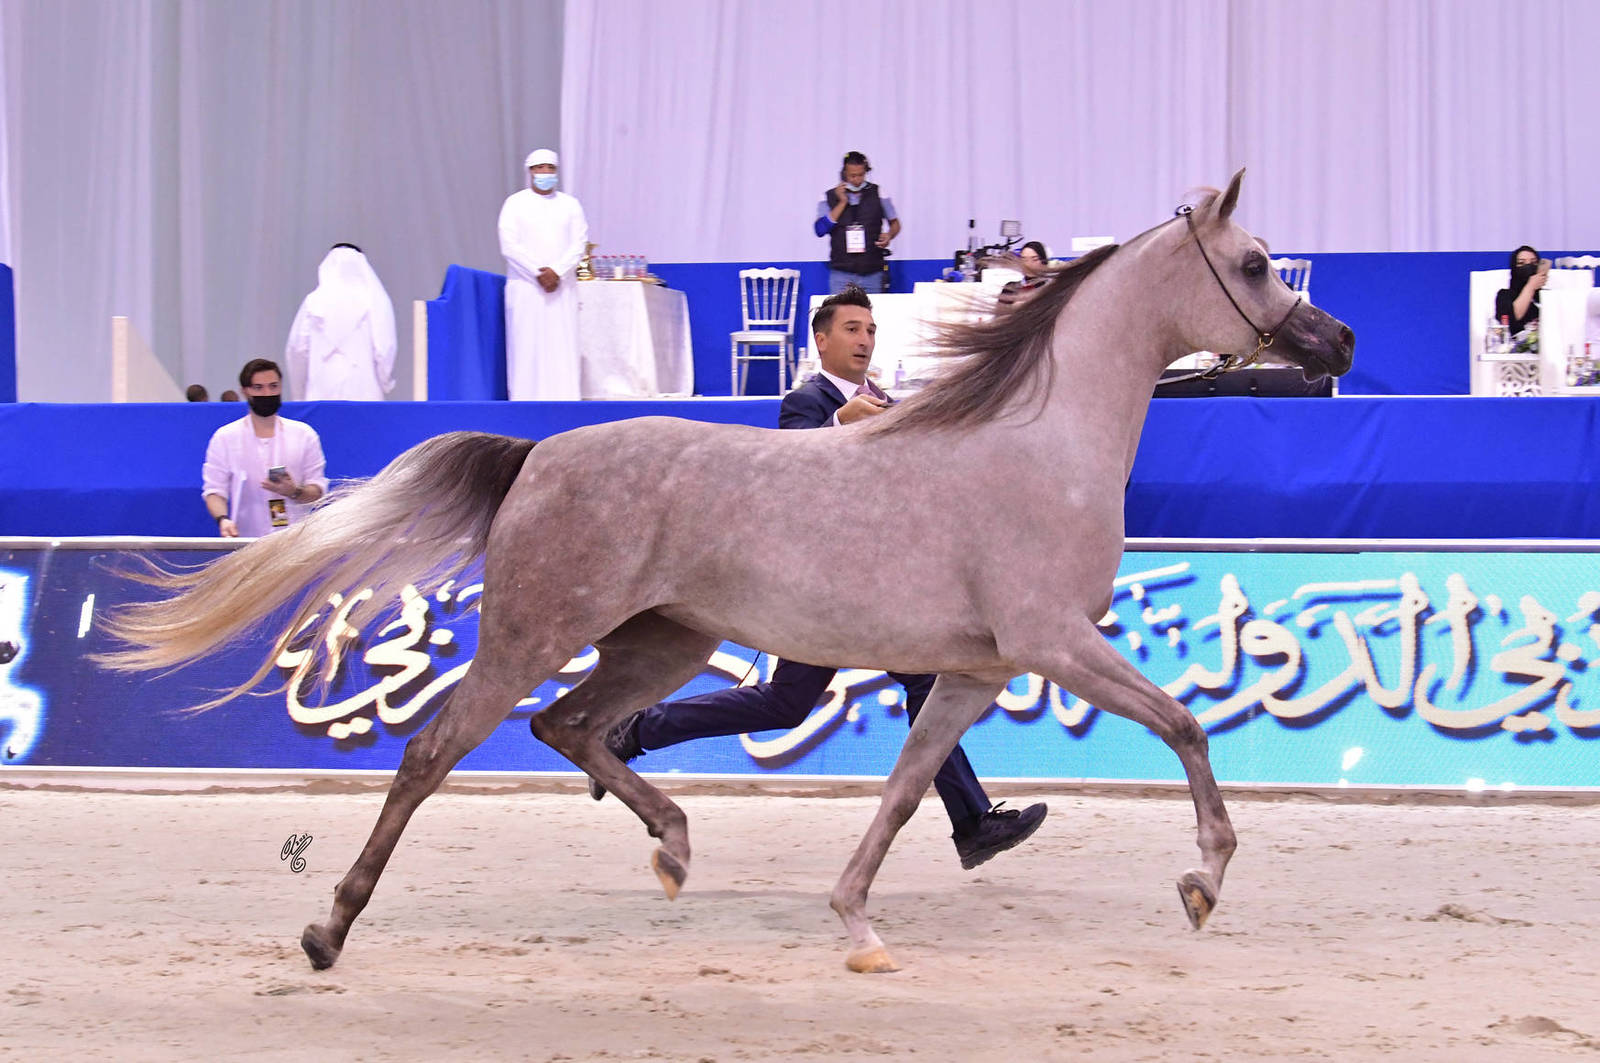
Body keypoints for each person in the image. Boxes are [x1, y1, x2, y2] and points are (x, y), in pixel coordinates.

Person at [585, 285, 1048, 871]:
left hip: (875, 583)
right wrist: (837, 423)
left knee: (802, 702)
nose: (864, 339)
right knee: (855, 695)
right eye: (852, 329)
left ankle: (634, 732)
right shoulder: (807, 402)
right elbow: (790, 476)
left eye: (870, 330)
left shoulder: (887, 402)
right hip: (820, 585)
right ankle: (973, 824)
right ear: (821, 341)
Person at [201, 358, 328, 538]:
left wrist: (294, 491)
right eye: (258, 388)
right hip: (245, 539)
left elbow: (317, 490)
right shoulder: (225, 438)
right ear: (245, 391)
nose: (267, 393)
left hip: (295, 539)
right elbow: (214, 491)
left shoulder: (304, 435)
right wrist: (223, 519)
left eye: (273, 386)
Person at [499, 148, 589, 401]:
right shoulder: (515, 204)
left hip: (562, 287)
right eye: (540, 168)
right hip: (526, 287)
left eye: (550, 168)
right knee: (526, 345)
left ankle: (565, 400)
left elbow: (579, 243)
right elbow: (509, 245)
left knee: (562, 345)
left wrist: (557, 272)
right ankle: (524, 400)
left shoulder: (570, 205)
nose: (545, 173)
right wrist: (537, 272)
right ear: (530, 171)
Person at [284, 243, 397, 401]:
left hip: (320, 389)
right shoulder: (376, 301)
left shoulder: (313, 302)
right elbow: (384, 348)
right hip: (365, 391)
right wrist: (385, 381)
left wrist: (299, 393)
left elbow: (297, 350)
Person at [815, 151, 900, 294]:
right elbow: (820, 230)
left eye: (861, 175)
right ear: (844, 174)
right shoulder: (828, 196)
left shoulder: (879, 193)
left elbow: (895, 224)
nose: (857, 180)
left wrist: (889, 235)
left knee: (872, 308)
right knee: (840, 308)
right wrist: (842, 202)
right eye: (852, 175)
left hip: (872, 271)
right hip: (841, 273)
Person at [1495, 245, 1547, 337]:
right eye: (1521, 263)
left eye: (1533, 263)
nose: (1528, 266)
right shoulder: (1504, 296)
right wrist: (1530, 286)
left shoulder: (1547, 296)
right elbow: (1511, 323)